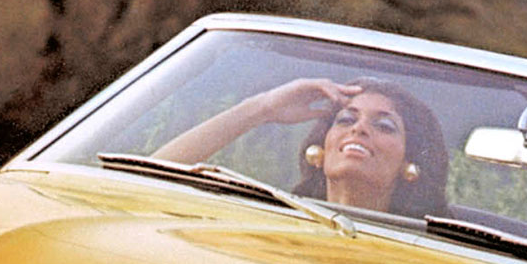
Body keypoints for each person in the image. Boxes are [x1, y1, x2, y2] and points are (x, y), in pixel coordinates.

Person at [153, 76, 450, 218]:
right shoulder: (269, 218)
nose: (359, 129)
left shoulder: (437, 253)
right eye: (346, 119)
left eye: (384, 126)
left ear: (409, 164)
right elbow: (147, 183)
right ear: (319, 151)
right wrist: (262, 108)